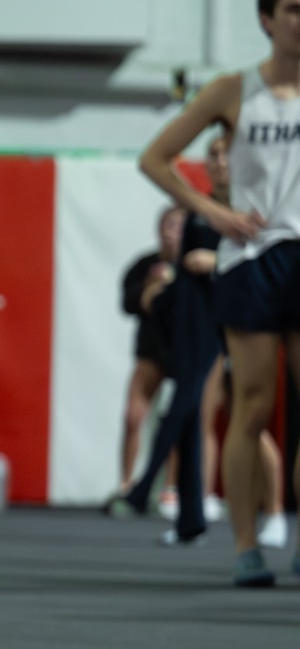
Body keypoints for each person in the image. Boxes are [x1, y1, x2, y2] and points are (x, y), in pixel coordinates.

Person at [139, 0, 300, 586]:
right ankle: (245, 547)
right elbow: (154, 158)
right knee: (253, 404)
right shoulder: (235, 90)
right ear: (266, 19)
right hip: (253, 258)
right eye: (292, 9)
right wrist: (212, 211)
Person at [118, 206, 184, 498]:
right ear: (159, 229)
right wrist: (151, 284)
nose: (173, 233)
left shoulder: (193, 266)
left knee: (176, 423)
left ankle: (169, 488)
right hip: (150, 352)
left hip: (183, 353)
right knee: (134, 416)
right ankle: (126, 482)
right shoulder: (144, 265)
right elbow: (129, 304)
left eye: (179, 227)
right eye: (168, 226)